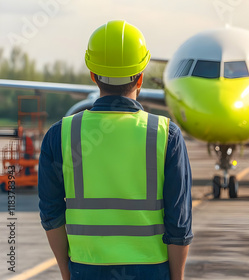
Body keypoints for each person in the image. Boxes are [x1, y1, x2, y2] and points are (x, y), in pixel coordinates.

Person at [38, 20, 192, 280]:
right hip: (151, 270)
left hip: (86, 268)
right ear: (141, 77)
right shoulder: (167, 135)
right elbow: (179, 225)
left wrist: (67, 272)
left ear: (92, 75)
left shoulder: (61, 135)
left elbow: (52, 214)